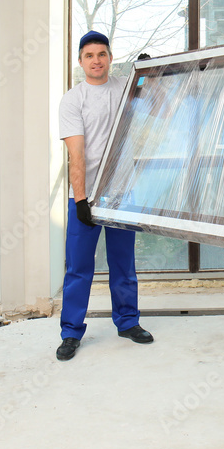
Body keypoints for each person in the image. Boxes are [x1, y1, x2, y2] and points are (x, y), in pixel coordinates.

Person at [55, 31, 153, 361]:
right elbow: (76, 153)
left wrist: (153, 76)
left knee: (123, 265)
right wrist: (81, 199)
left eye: (102, 54)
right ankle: (70, 332)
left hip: (123, 192)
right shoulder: (73, 100)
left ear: (110, 58)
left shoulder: (127, 87)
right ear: (80, 62)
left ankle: (128, 322)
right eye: (89, 55)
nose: (96, 60)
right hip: (86, 196)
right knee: (78, 267)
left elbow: (162, 110)